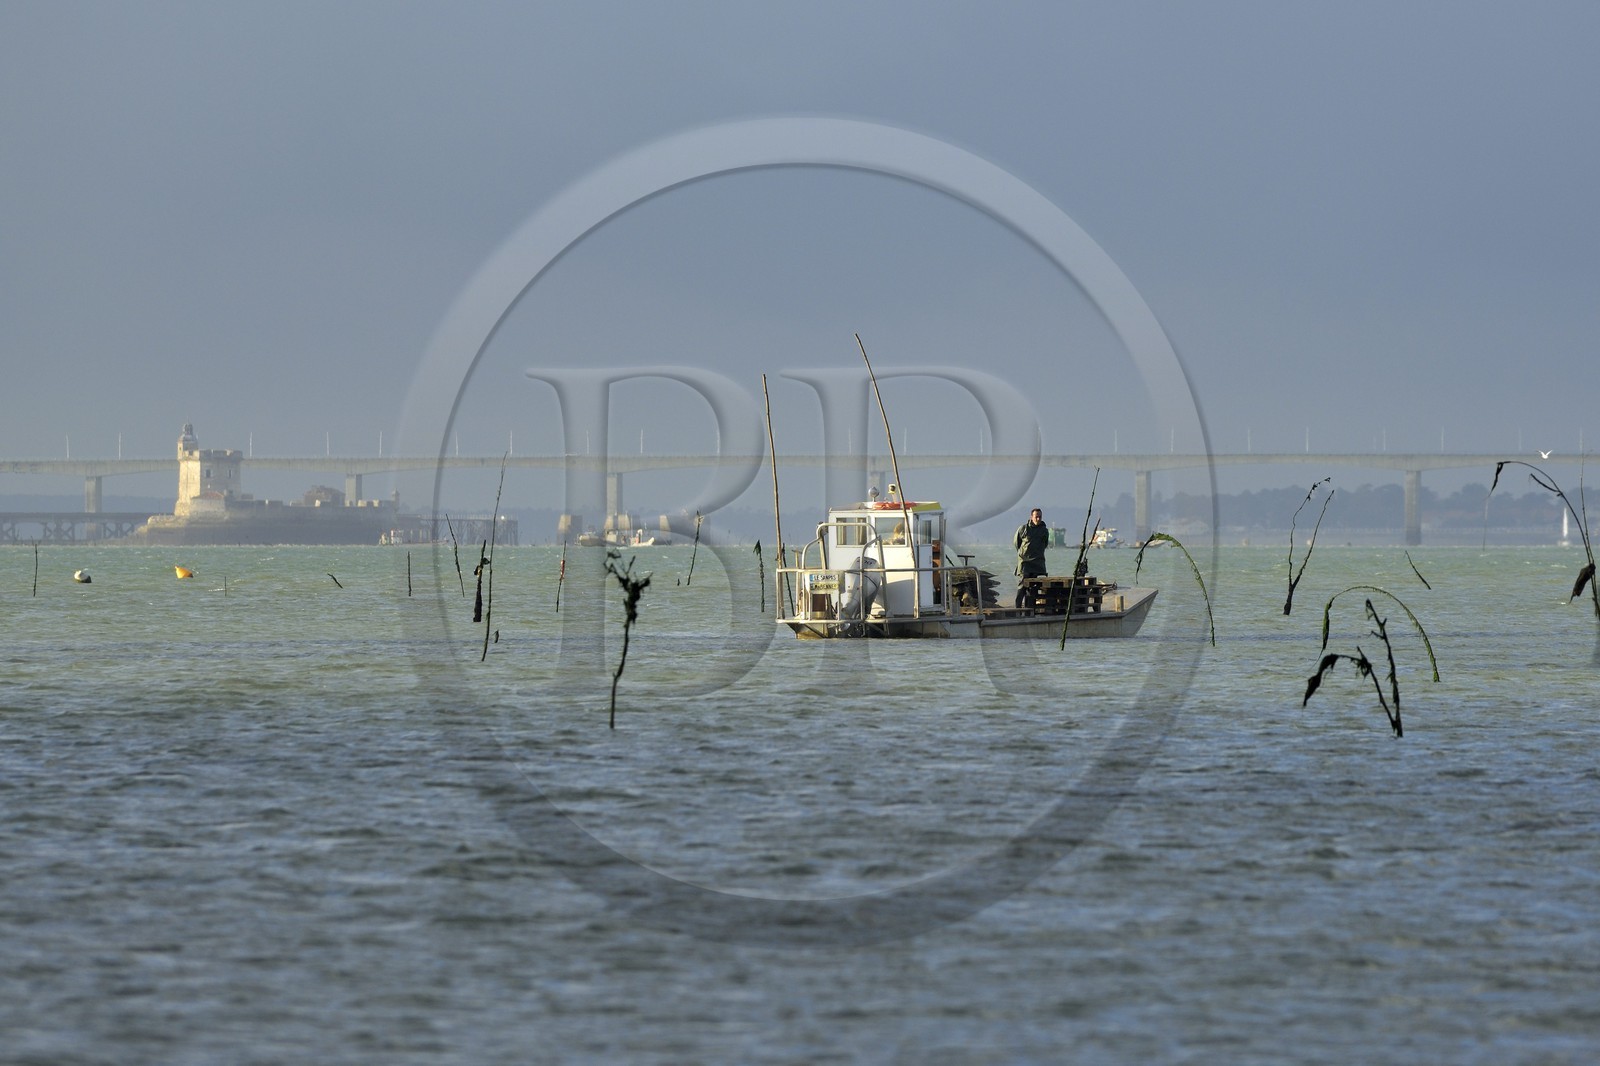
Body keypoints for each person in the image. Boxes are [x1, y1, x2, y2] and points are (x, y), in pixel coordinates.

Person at [1013, 507, 1049, 608]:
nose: (1038, 519)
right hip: (1025, 562)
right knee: (1022, 585)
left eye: (1040, 517)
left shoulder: (1044, 530)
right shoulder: (1023, 529)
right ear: (1031, 517)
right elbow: (1016, 543)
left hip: (1037, 562)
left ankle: (1029, 608)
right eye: (1036, 517)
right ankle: (1018, 608)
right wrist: (1022, 554)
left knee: (1033, 588)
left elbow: (1045, 544)